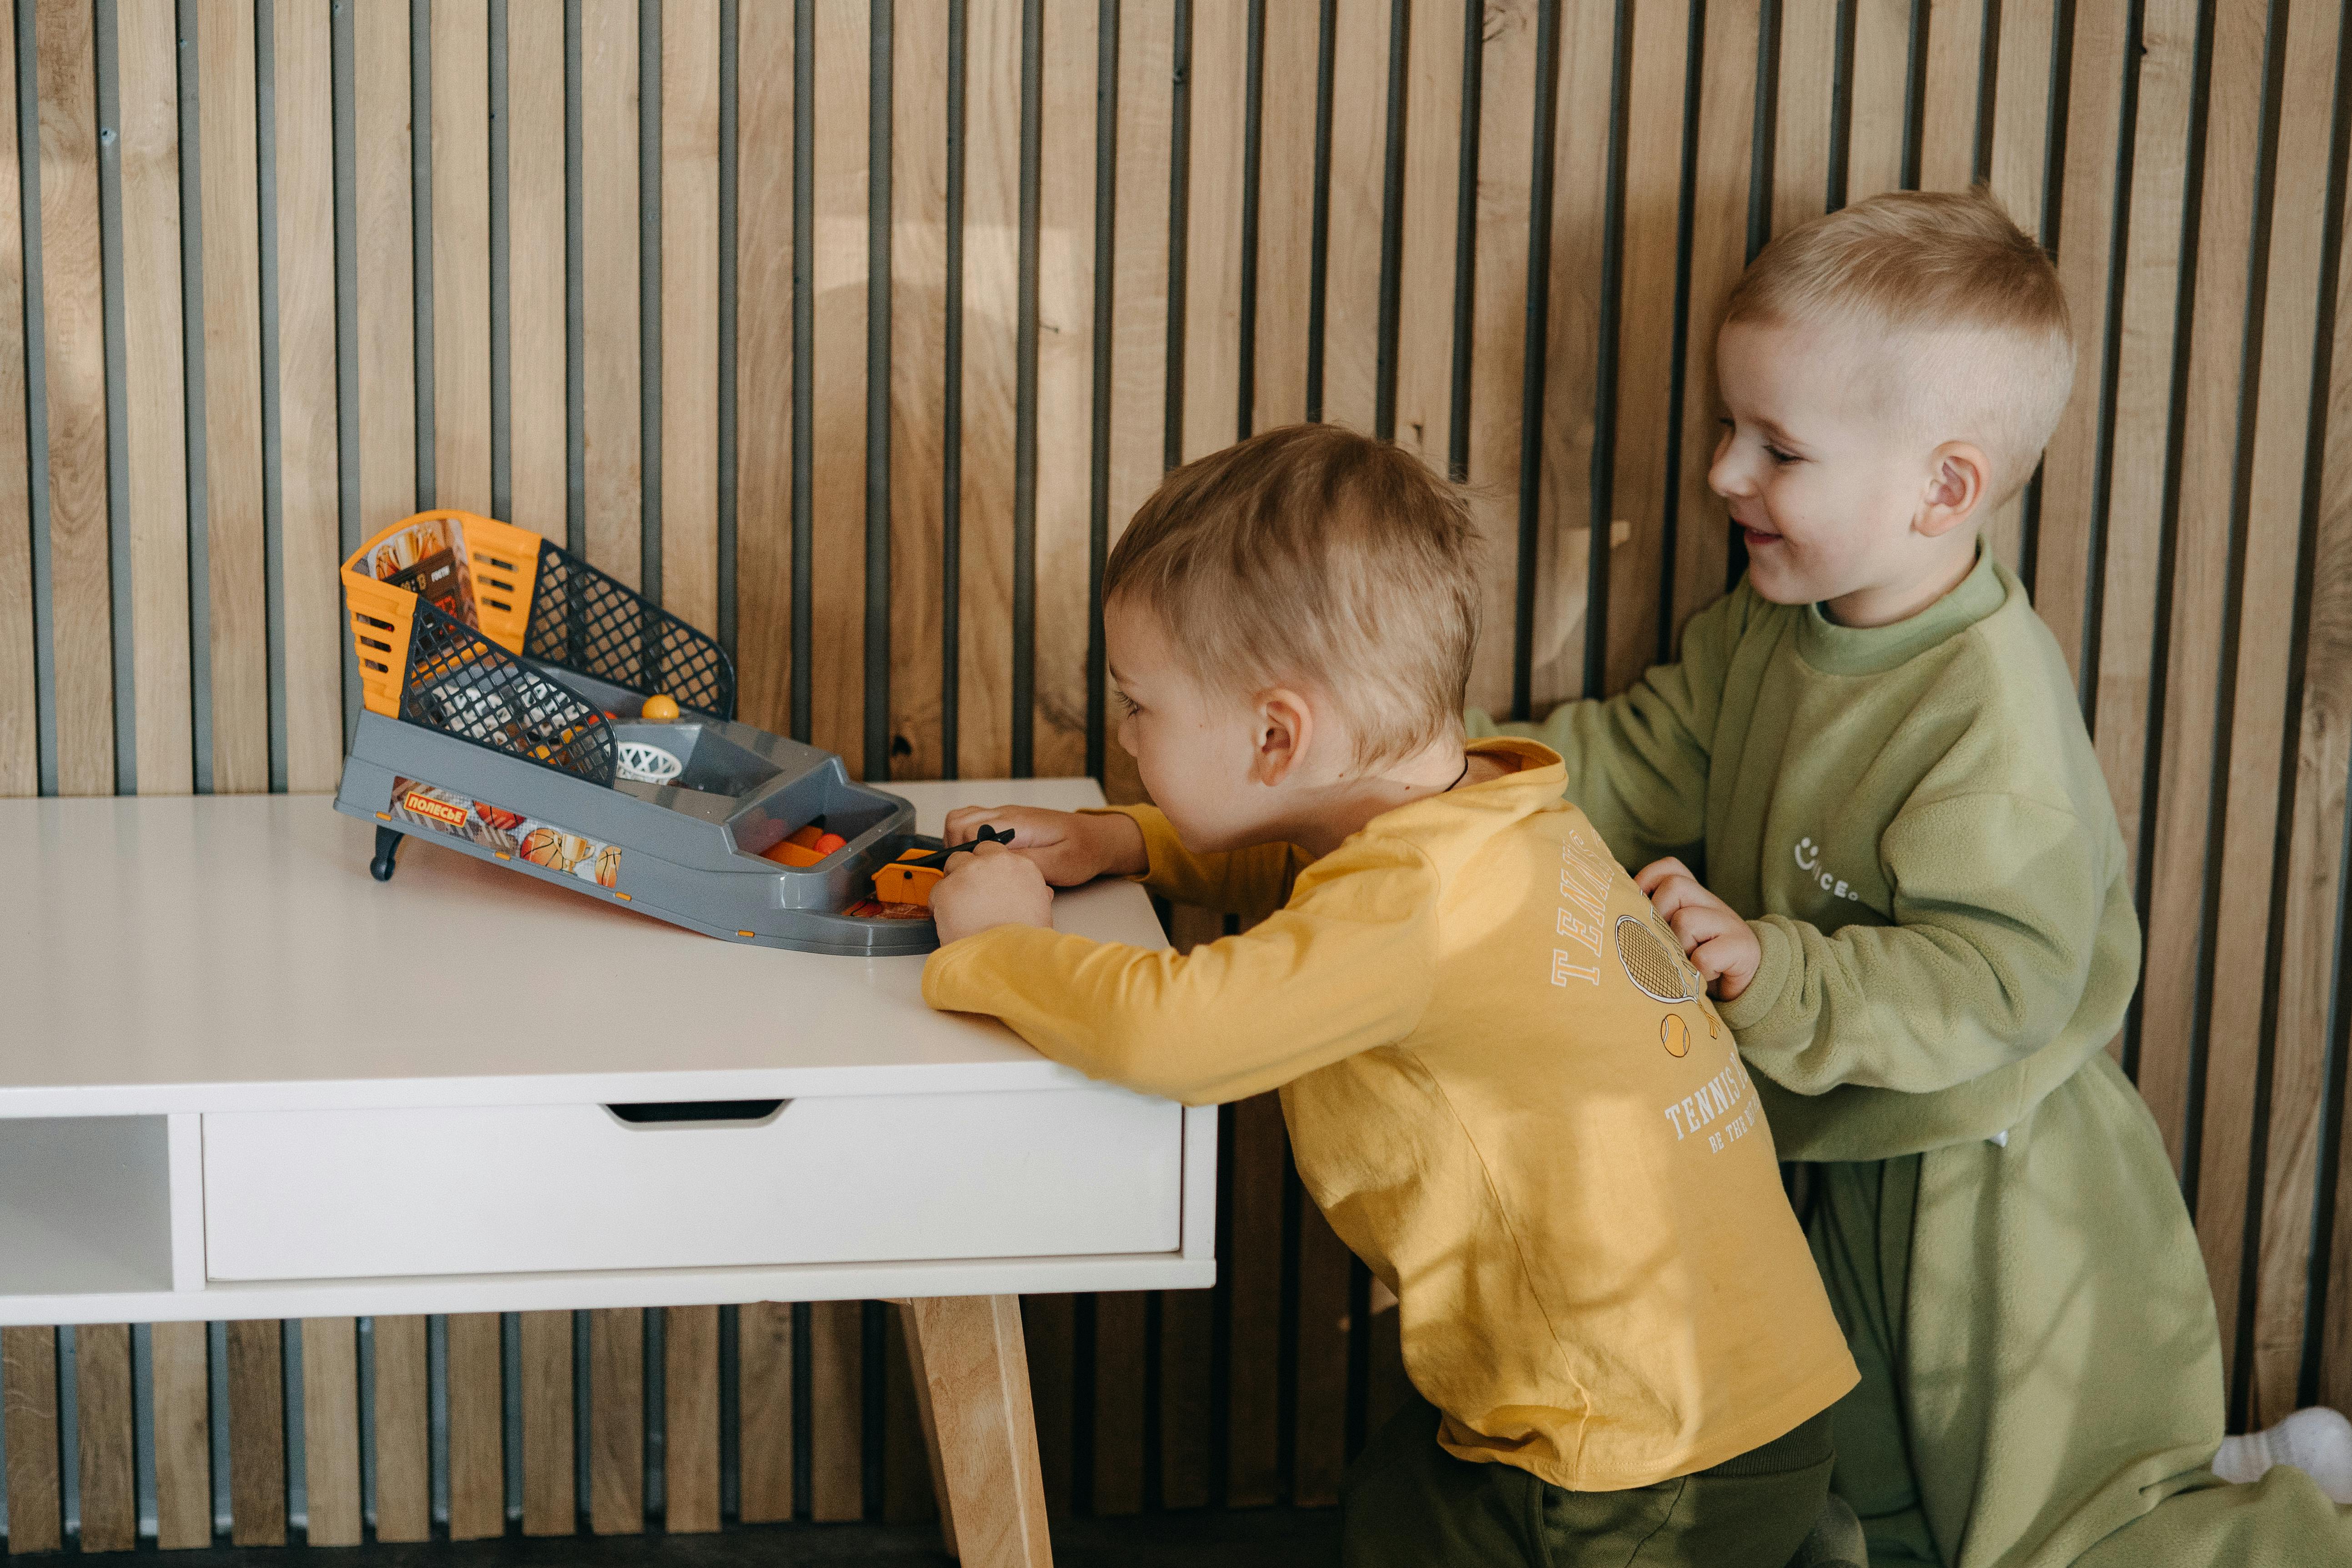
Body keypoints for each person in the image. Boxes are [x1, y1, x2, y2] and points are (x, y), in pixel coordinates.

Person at [1474, 186, 2352, 1565]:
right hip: (1837, 1154)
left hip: (1991, 1198)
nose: (1720, 474)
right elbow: (1633, 757)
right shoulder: (1768, 633)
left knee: (2057, 1535)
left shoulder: (1988, 713)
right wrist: (1442, 778)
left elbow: (2002, 972)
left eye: (1777, 447)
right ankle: (2231, 1473)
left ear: (1941, 486)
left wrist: (1777, 966)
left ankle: (2289, 1519)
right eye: (1727, 428)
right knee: (1860, 1514)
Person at [919, 423, 1862, 1566]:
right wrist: (1124, 839)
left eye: (1137, 706)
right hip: (1751, 1384)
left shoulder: (1413, 903)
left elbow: (1179, 1031)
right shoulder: (1500, 817)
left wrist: (1004, 941)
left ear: (1277, 733)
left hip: (1621, 1447)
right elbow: (1316, 862)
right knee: (1398, 1501)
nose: (1121, 733)